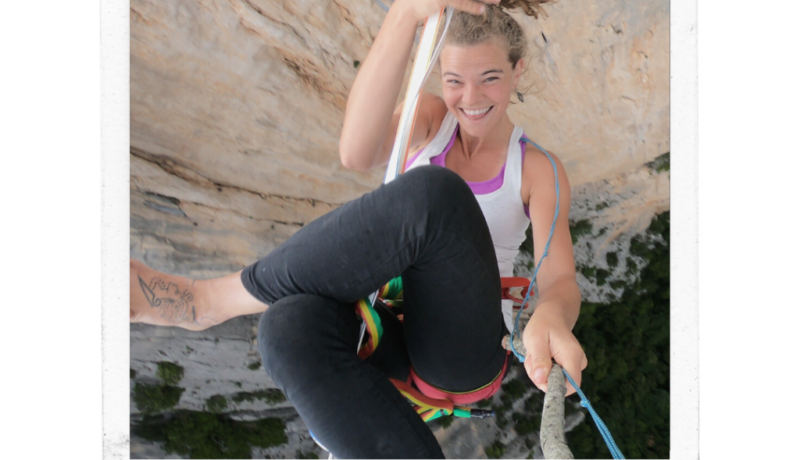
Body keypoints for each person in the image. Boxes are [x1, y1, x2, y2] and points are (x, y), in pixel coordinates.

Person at [130, 0, 588, 457]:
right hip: (385, 322)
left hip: (463, 353)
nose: (471, 99)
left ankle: (208, 301)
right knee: (285, 327)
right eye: (454, 82)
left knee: (436, 195)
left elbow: (559, 280)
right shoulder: (430, 121)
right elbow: (356, 151)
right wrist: (403, 15)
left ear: (518, 70)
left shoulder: (534, 169)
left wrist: (550, 317)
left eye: (490, 78)